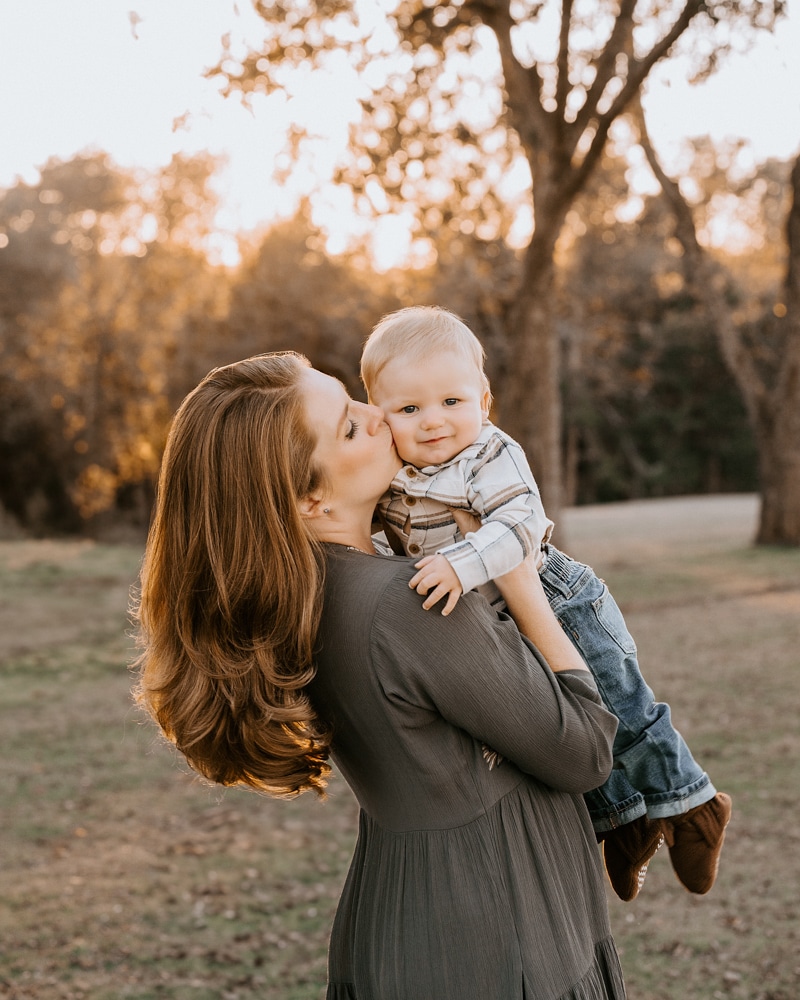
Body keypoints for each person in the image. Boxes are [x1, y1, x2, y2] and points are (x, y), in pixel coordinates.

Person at [134, 351, 627, 999]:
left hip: (403, 927)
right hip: (499, 938)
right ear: (309, 498)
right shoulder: (410, 601)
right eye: (347, 426)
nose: (378, 415)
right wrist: (516, 571)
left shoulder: (301, 603)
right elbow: (587, 752)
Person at [361, 305, 732, 902]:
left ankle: (695, 805)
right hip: (499, 621)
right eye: (409, 409)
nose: (433, 421)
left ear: (483, 400)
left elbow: (518, 523)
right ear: (382, 417)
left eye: (451, 402)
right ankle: (623, 825)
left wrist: (460, 561)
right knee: (566, 730)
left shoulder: (488, 452)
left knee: (620, 711)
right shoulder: (394, 474)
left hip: (559, 597)